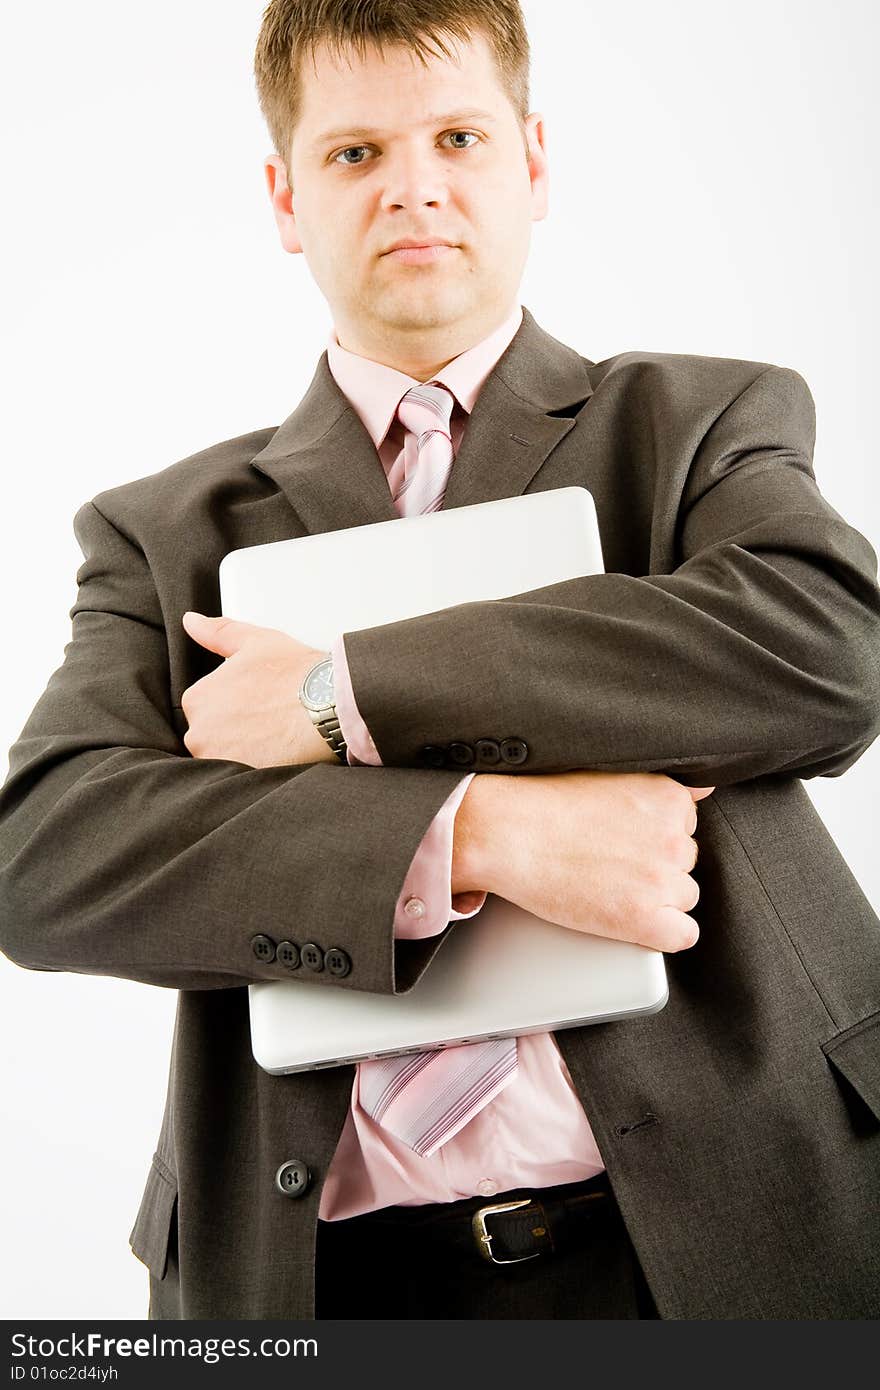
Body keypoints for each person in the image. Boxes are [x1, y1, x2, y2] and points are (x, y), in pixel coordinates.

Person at [1, 0, 879, 1321]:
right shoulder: (160, 532)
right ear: (286, 197)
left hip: (723, 1236)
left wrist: (332, 691)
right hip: (322, 1283)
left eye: (456, 136)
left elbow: (827, 646)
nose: (413, 186)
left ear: (531, 165)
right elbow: (45, 855)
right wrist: (477, 836)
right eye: (353, 154)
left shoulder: (698, 424)